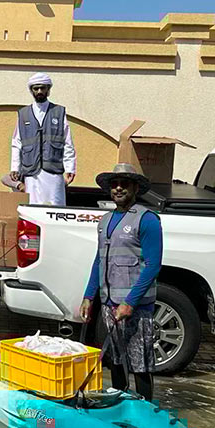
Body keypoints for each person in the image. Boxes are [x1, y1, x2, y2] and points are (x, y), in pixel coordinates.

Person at [78, 163, 162, 401]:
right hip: (109, 303)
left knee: (140, 362)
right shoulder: (105, 221)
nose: (118, 188)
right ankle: (119, 401)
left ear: (135, 188)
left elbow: (153, 265)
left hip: (135, 306)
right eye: (114, 184)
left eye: (124, 184)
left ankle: (145, 408)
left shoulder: (147, 220)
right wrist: (88, 296)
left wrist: (130, 302)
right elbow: (99, 260)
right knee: (115, 357)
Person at [10, 72, 76, 205]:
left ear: (48, 89)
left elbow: (67, 142)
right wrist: (15, 167)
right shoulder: (23, 114)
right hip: (31, 170)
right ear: (31, 90)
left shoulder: (58, 112)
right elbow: (17, 143)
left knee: (55, 205)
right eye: (36, 88)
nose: (39, 91)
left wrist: (70, 168)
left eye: (43, 88)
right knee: (33, 206)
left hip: (53, 169)